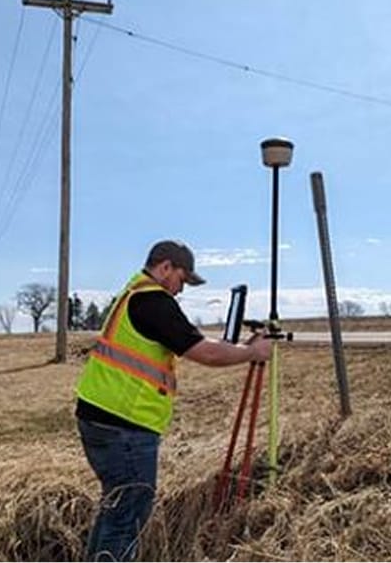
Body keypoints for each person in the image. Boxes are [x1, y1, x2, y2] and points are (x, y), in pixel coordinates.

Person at [74, 239, 272, 561]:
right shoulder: (154, 301)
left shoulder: (133, 294)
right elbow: (203, 351)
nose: (181, 290)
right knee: (127, 516)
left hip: (102, 417)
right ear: (165, 267)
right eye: (182, 279)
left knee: (116, 509)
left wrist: (238, 348)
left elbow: (193, 342)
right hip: (124, 425)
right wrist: (252, 352)